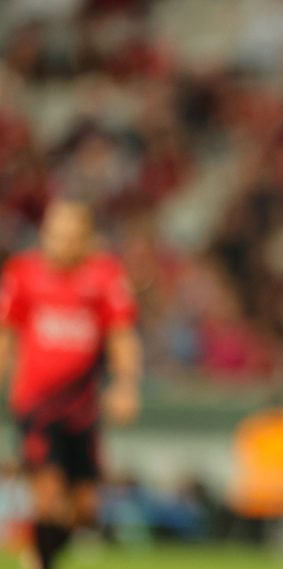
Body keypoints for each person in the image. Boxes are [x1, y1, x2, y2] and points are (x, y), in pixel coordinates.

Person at [0, 199, 142, 569]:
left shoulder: (105, 277)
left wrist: (125, 385)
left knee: (84, 508)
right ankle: (38, 561)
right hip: (36, 403)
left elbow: (121, 335)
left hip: (82, 408)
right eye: (55, 234)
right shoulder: (22, 273)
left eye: (70, 235)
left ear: (86, 238)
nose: (60, 243)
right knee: (47, 494)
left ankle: (41, 553)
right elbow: (6, 335)